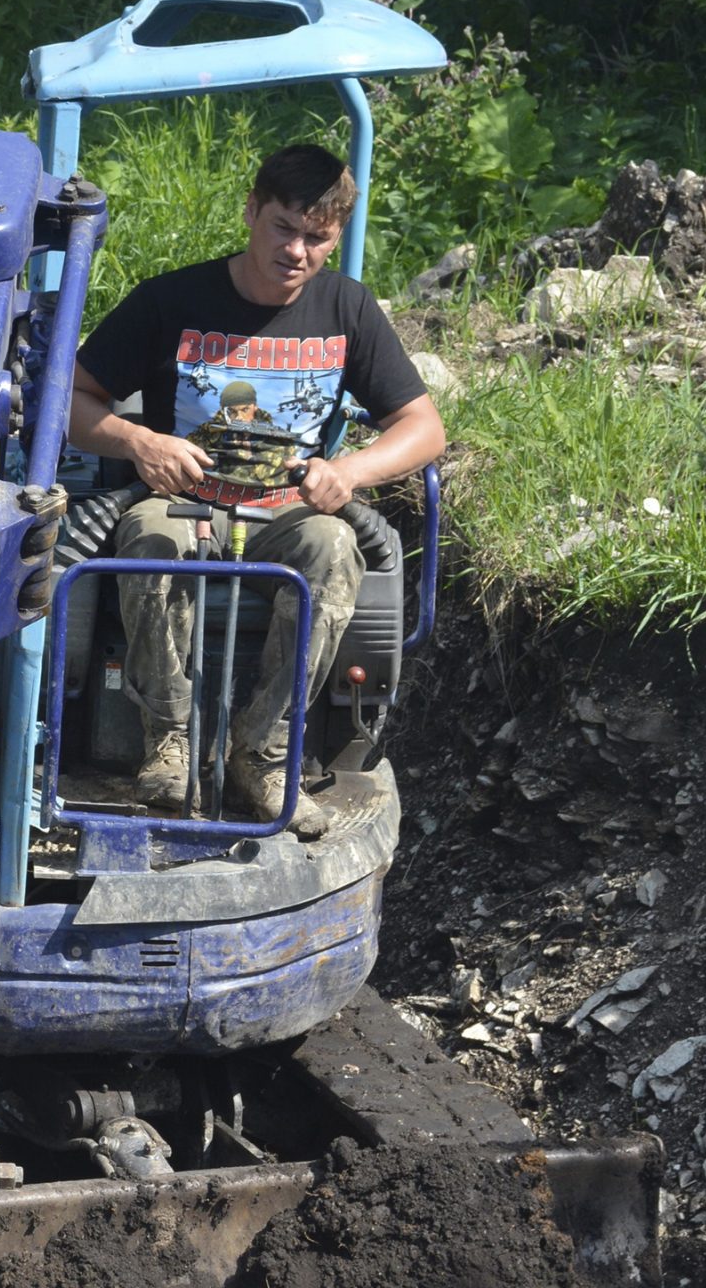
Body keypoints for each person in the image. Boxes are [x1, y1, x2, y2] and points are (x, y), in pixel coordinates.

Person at [68, 141, 447, 837]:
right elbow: (73, 400)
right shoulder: (170, 300)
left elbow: (423, 428)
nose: (297, 250)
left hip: (285, 509)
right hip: (180, 499)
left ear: (334, 238)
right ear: (251, 211)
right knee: (150, 537)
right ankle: (168, 738)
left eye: (316, 237)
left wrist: (349, 472)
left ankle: (266, 752)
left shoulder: (347, 309)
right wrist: (140, 442)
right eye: (283, 227)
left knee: (336, 548)